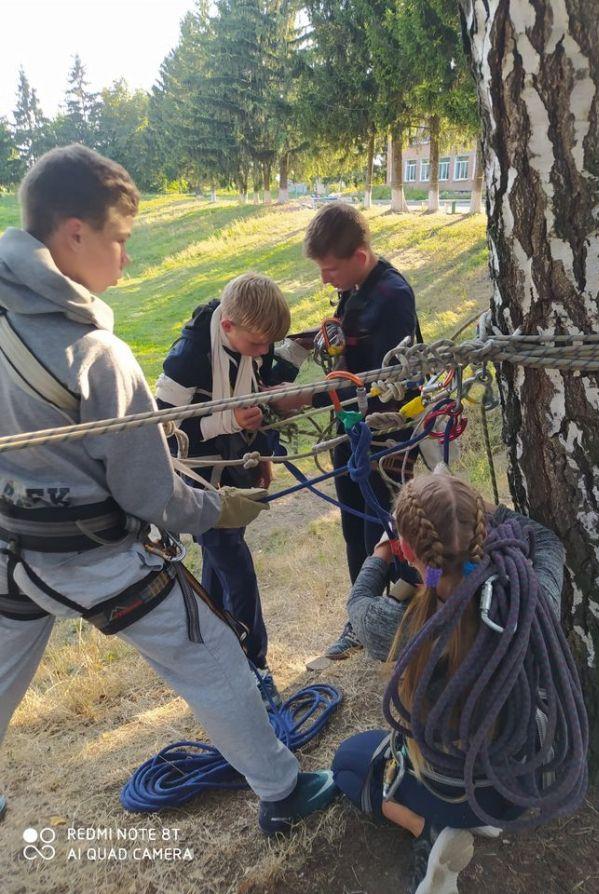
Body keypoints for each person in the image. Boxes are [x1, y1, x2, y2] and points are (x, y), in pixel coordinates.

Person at [0, 145, 335, 834]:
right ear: (74, 233)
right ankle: (281, 788)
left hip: (12, 549)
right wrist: (218, 507)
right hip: (93, 557)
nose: (124, 260)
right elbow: (150, 491)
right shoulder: (96, 356)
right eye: (118, 240)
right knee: (214, 656)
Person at [331, 473, 588, 893]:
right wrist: (487, 510)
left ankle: (426, 828)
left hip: (443, 793)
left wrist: (381, 551)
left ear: (408, 550)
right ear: (480, 534)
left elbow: (357, 603)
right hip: (514, 788)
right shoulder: (527, 600)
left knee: (346, 762)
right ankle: (467, 822)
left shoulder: (396, 625)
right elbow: (547, 543)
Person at [273, 202, 421, 659]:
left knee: (383, 530)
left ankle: (392, 618)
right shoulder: (356, 289)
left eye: (330, 268)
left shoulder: (392, 298)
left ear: (359, 255)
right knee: (353, 526)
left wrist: (302, 399)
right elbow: (341, 348)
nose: (324, 279)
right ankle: (362, 617)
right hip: (351, 431)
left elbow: (376, 384)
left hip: (385, 434)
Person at [155, 273, 309, 704]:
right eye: (259, 344)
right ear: (228, 327)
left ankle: (222, 650)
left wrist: (260, 452)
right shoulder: (188, 358)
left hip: (236, 467)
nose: (264, 353)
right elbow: (161, 430)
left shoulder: (248, 339)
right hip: (199, 478)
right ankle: (255, 664)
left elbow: (256, 383)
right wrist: (228, 421)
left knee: (218, 566)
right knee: (234, 566)